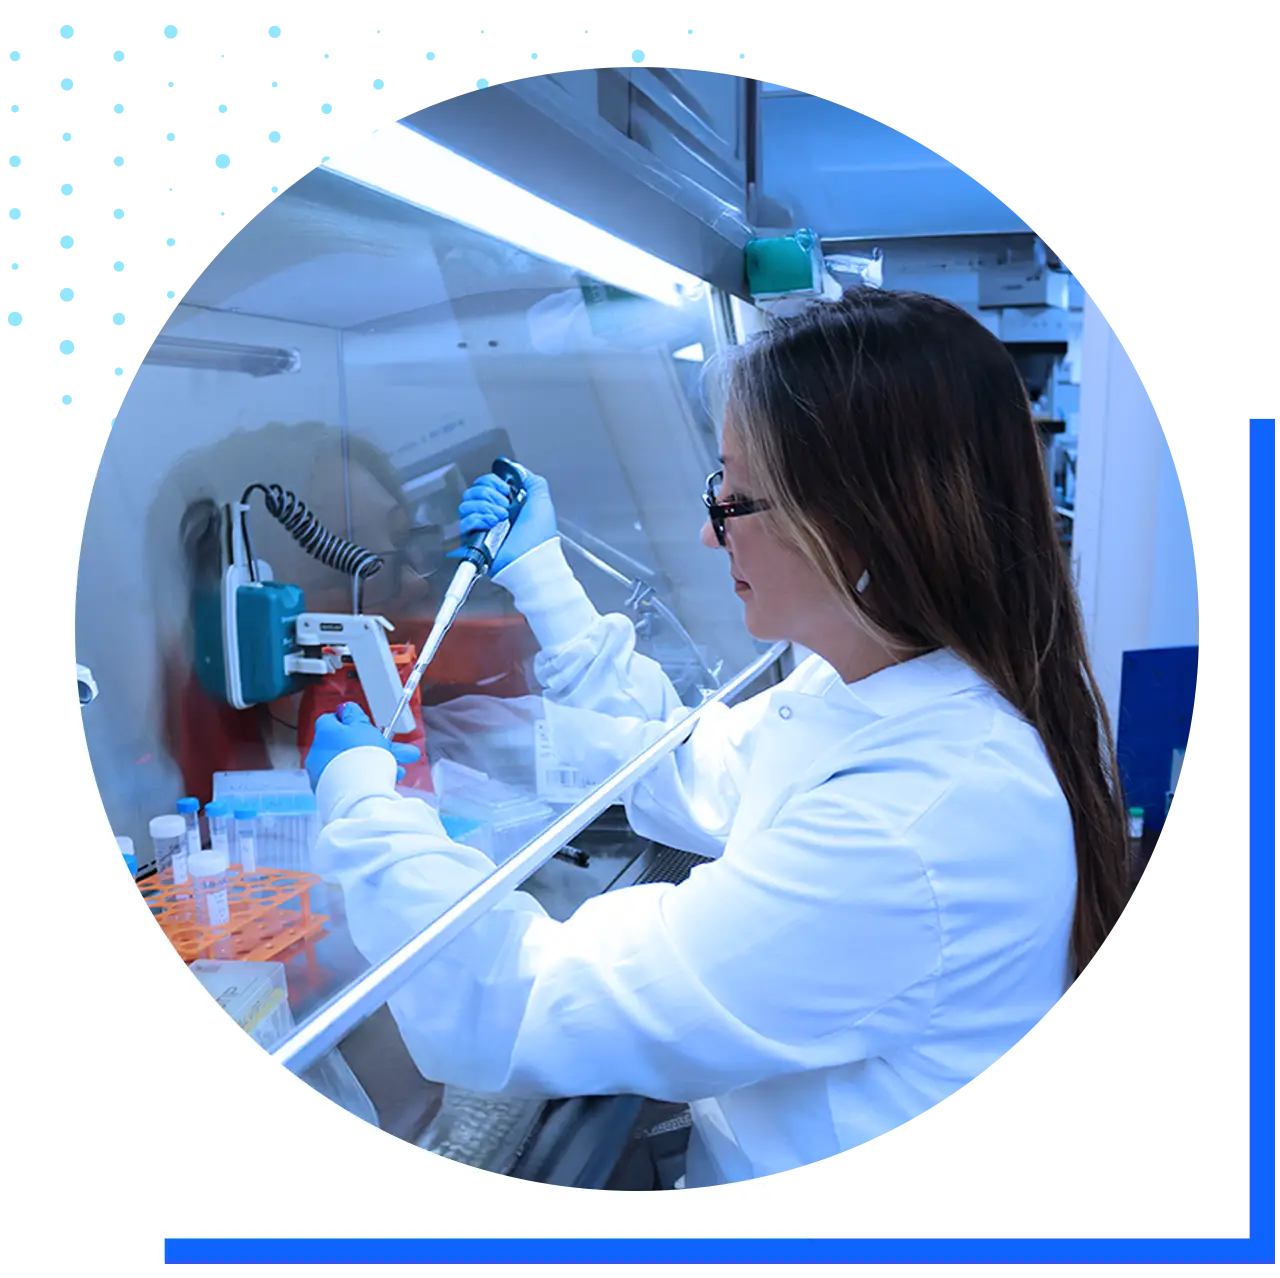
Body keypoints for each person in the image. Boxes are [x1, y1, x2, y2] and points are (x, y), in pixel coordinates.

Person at [303, 288, 1132, 1188]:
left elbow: (518, 1001)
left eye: (734, 498)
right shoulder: (884, 682)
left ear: (855, 524)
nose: (707, 531)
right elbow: (693, 768)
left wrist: (362, 806)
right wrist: (540, 581)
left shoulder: (914, 824)